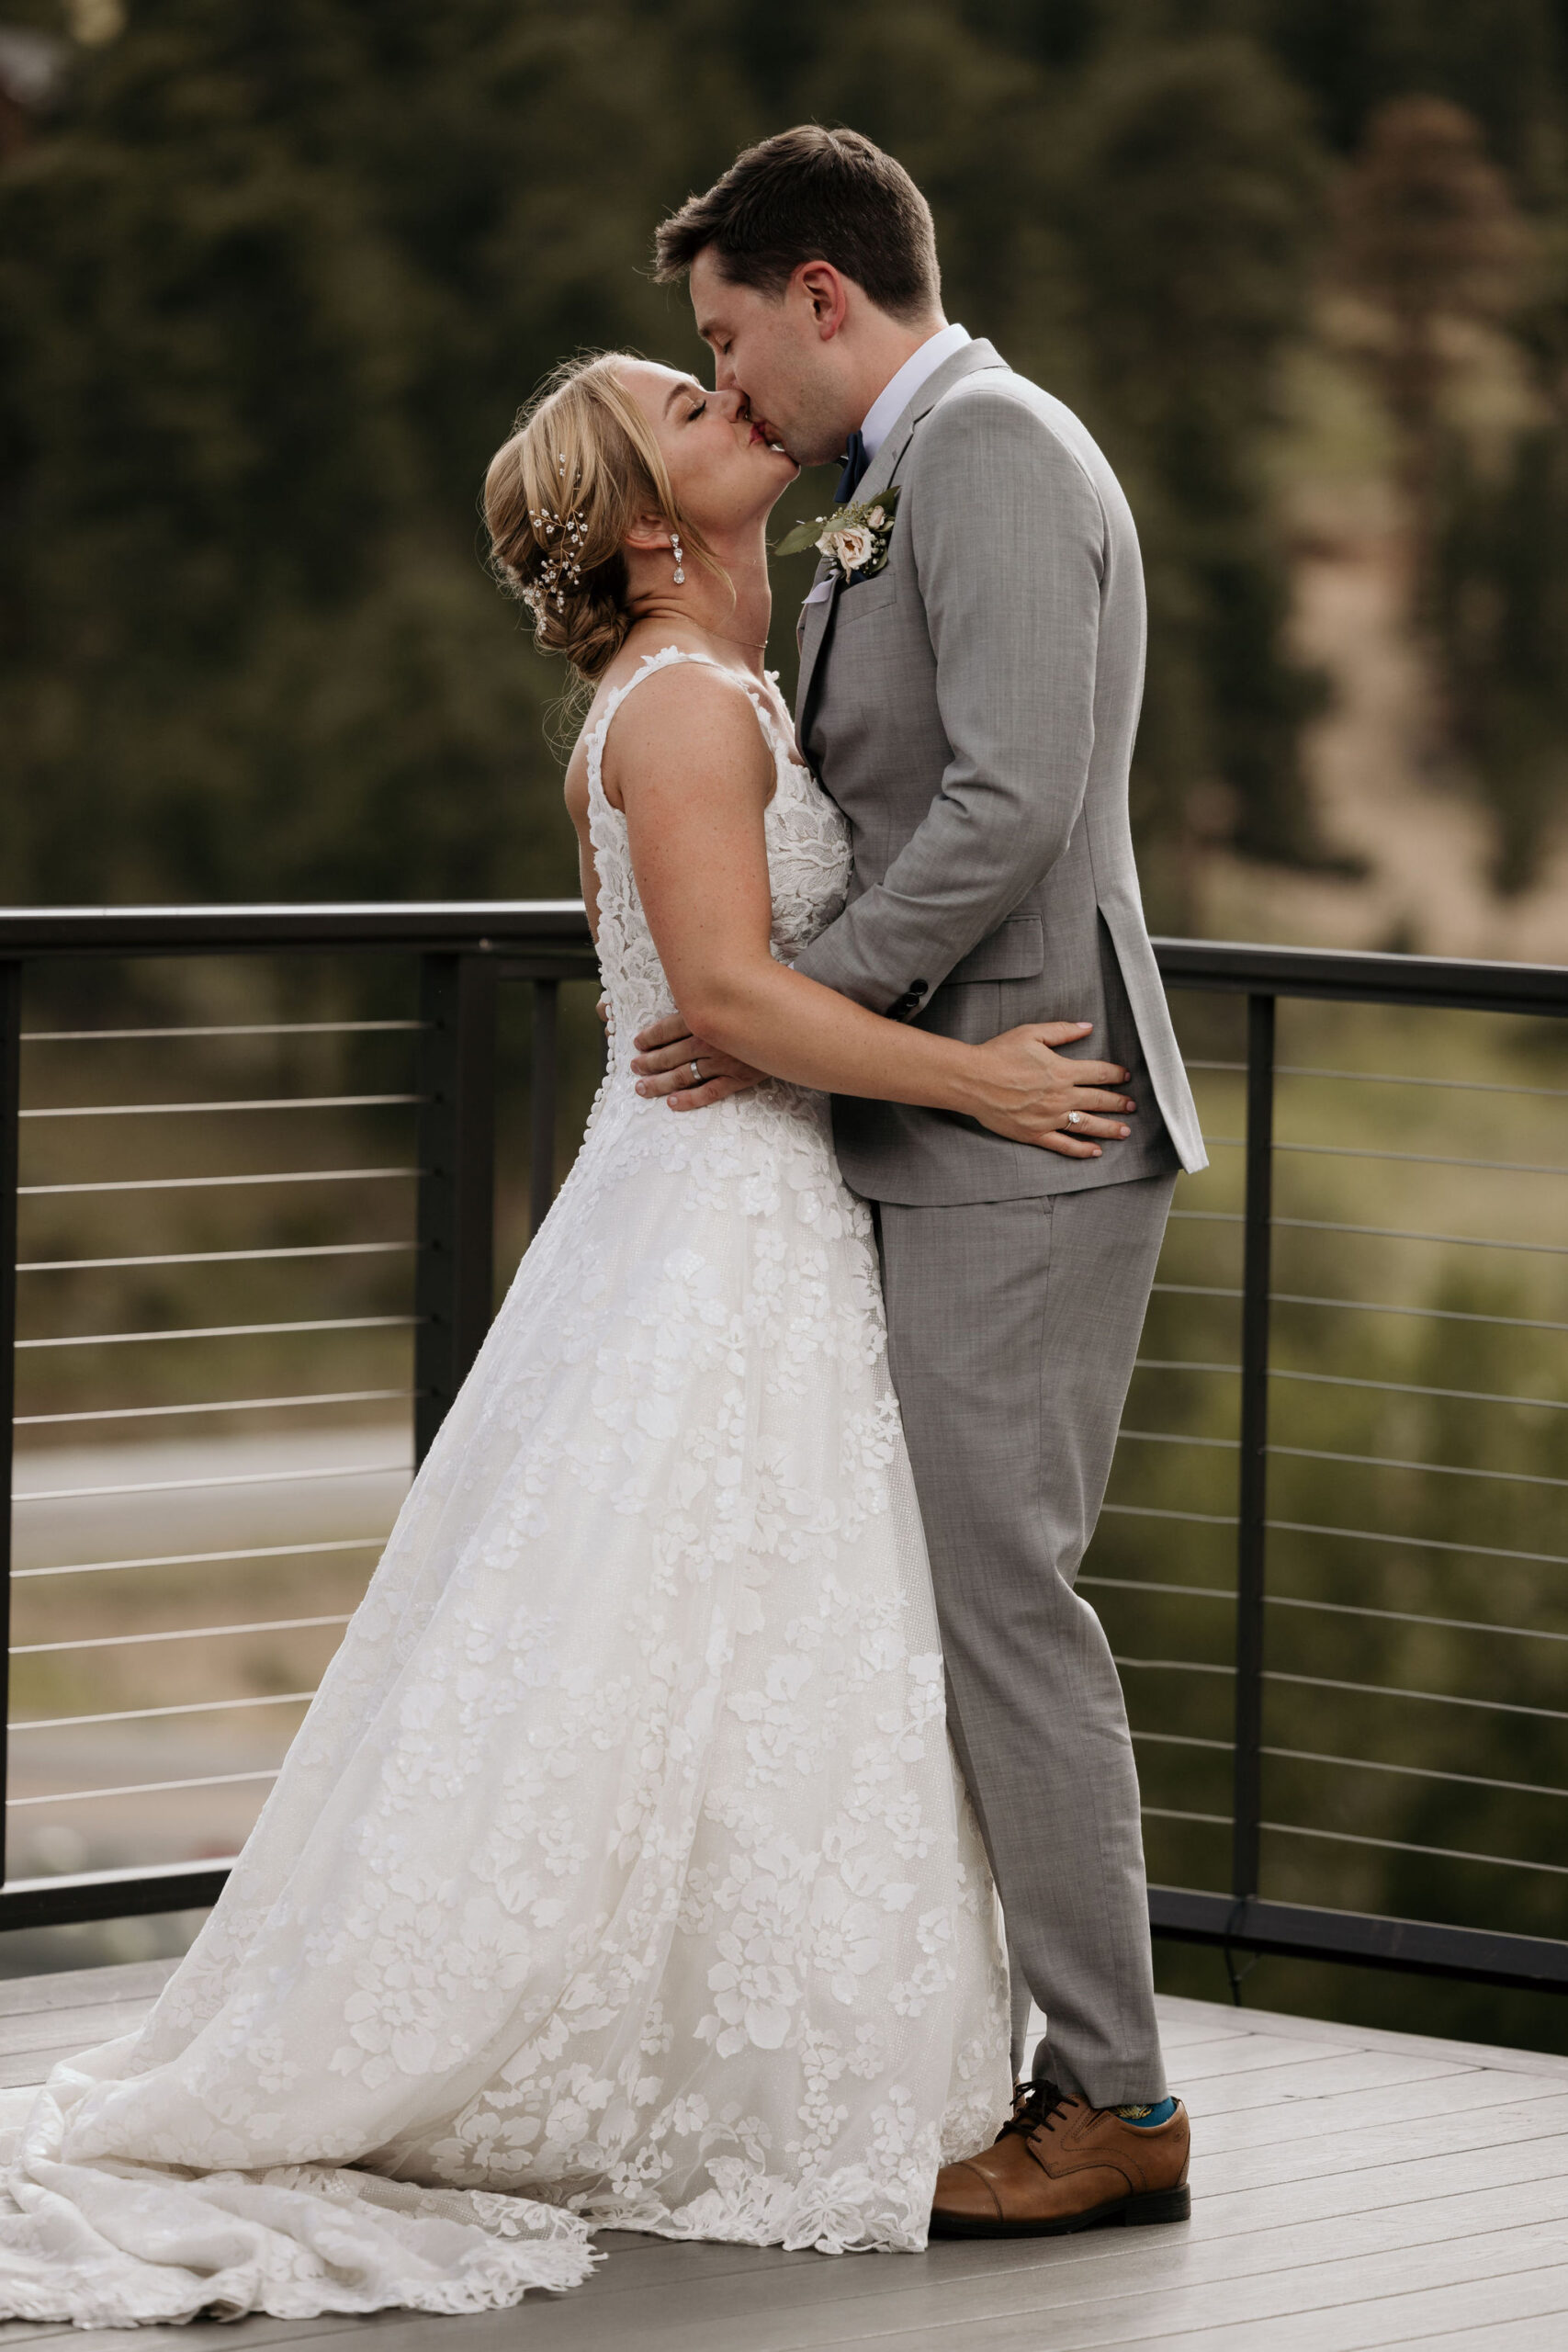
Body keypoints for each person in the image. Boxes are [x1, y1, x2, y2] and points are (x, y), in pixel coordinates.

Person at [0, 331, 1163, 2323]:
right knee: (676, 1615)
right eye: (693, 405)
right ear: (642, 518)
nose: (739, 409)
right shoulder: (687, 707)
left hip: (754, 1205)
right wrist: (972, 1082)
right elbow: (726, 995)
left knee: (723, 1635)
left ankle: (716, 2017)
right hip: (722, 1206)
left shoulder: (727, 677)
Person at [637, 126, 1205, 2236]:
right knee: (942, 1611)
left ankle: (1115, 2099)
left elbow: (1012, 804)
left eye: (726, 339)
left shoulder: (983, 450)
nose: (730, 392)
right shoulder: (908, 472)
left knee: (1006, 1613)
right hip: (937, 1117)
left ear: (815, 291)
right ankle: (1009, 2052)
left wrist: (791, 995)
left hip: (1017, 1120)